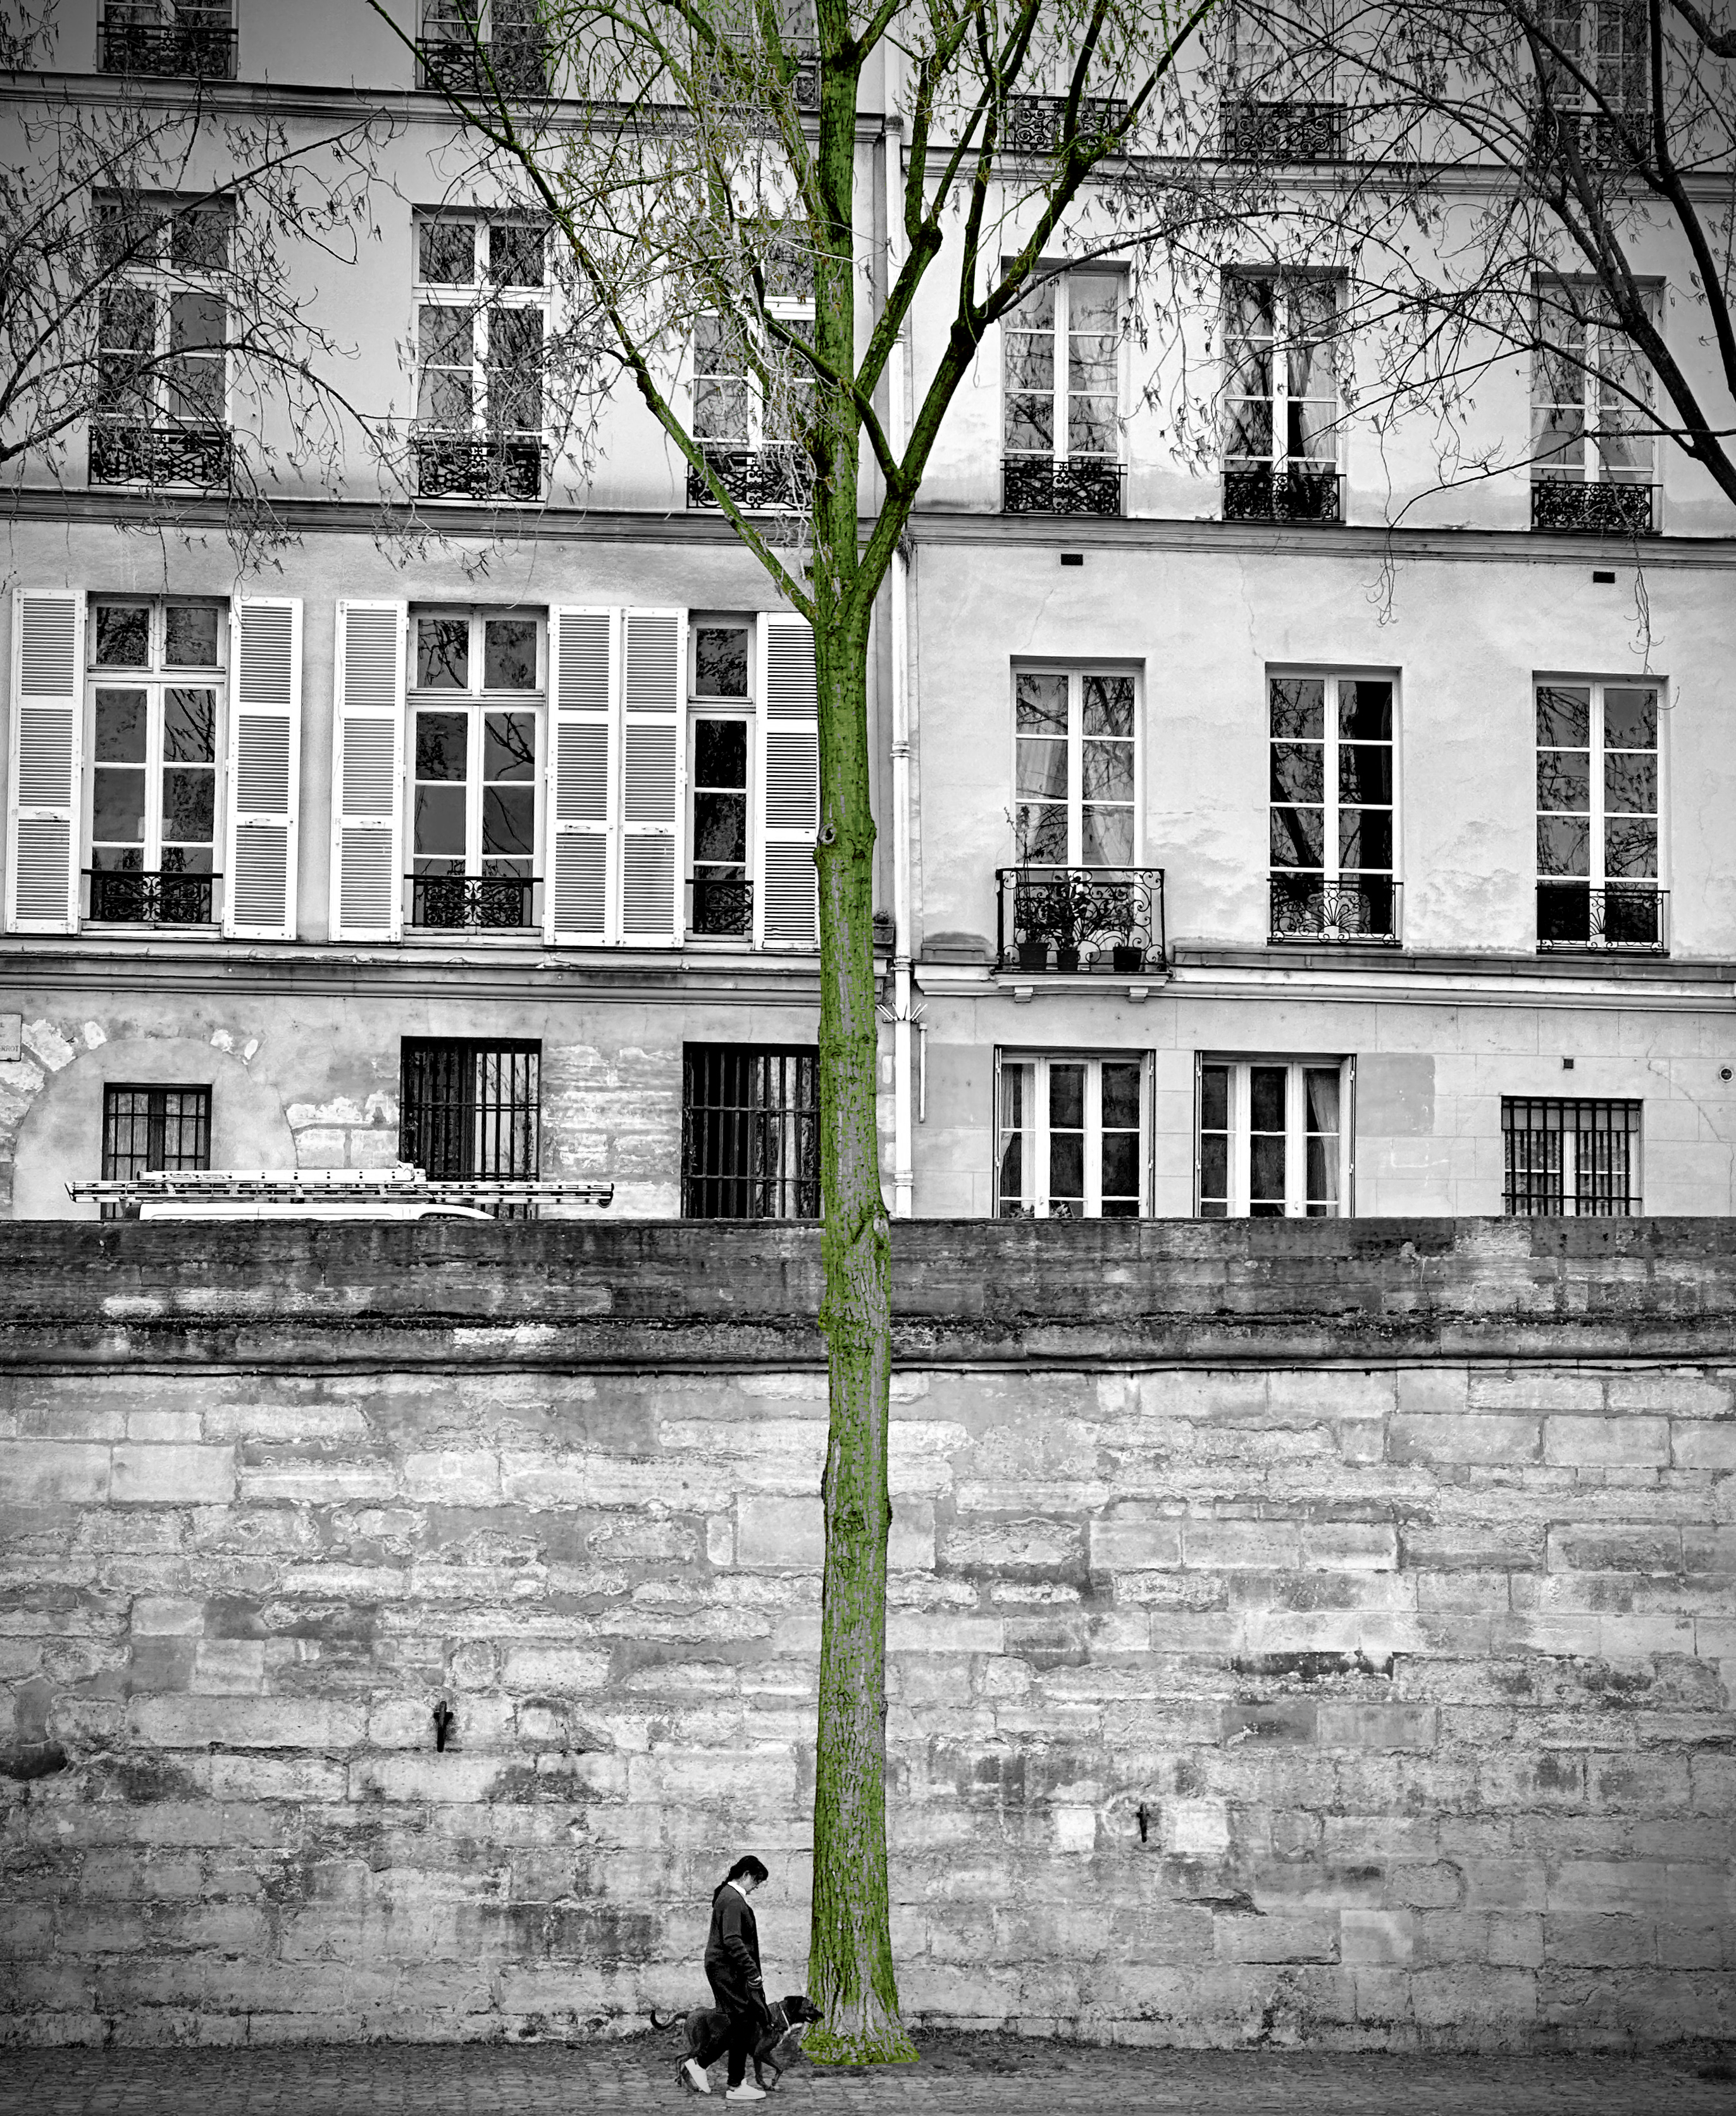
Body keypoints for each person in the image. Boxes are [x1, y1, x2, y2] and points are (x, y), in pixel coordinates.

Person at [683, 1854, 772, 2101]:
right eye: (757, 1881)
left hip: (724, 1969)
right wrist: (752, 1972)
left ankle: (711, 2071)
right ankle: (731, 2082)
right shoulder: (732, 1900)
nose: (756, 1887)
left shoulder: (727, 1896)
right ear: (745, 1876)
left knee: (740, 2024)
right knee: (743, 2022)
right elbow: (732, 1939)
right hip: (727, 1970)